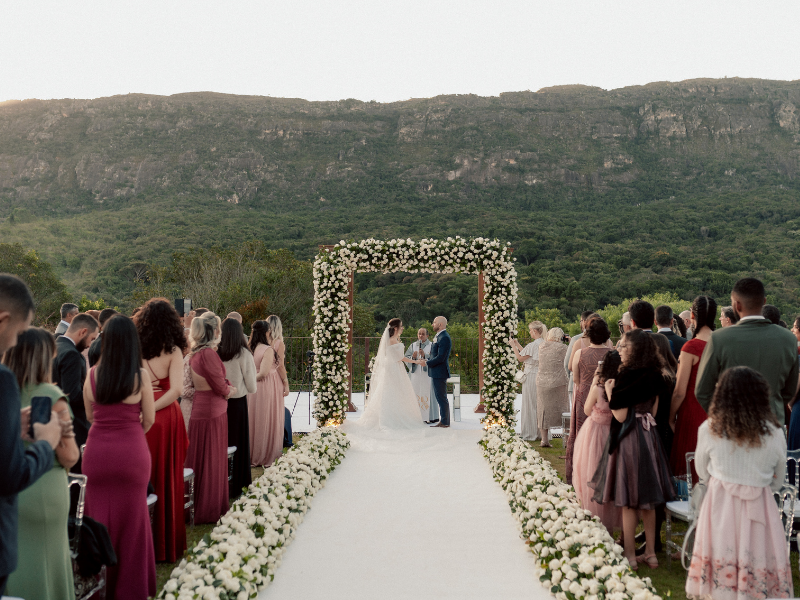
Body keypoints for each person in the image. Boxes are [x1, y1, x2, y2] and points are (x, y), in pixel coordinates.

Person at [686, 367, 793, 600]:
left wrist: (724, 480)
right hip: (760, 505)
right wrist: (757, 485)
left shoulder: (709, 429)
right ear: (761, 396)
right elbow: (779, 477)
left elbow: (702, 471)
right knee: (756, 561)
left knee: (720, 560)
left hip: (720, 503)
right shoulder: (774, 432)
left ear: (722, 395)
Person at [82, 315, 156, 599]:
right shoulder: (140, 376)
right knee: (133, 522)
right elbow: (148, 419)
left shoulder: (92, 375)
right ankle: (130, 588)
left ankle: (99, 586)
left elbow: (89, 416)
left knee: (98, 516)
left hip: (97, 453)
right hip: (131, 453)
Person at [4, 328, 80, 600]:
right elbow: (70, 456)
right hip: (44, 489)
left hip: (10, 494)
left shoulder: (4, 391)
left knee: (14, 568)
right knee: (49, 564)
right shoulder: (50, 395)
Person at [589, 329, 675, 570]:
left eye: (625, 346)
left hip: (629, 438)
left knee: (628, 501)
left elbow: (620, 413)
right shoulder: (656, 374)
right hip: (649, 437)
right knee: (647, 500)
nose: (620, 349)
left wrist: (609, 391)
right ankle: (651, 553)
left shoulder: (625, 376)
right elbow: (655, 412)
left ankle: (629, 555)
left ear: (635, 349)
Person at [0, 275, 63, 597]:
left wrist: (10, 422)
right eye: (20, 333)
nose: (15, 344)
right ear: (3, 320)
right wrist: (44, 443)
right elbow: (10, 475)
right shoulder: (2, 380)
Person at [696, 278, 799, 426]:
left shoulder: (719, 338)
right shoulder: (788, 339)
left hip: (731, 426)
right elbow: (789, 391)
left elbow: (702, 390)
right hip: (771, 425)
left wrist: (723, 417)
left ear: (737, 305)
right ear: (764, 301)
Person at [134, 298, 190, 563]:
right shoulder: (174, 351)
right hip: (166, 417)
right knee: (167, 475)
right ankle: (164, 542)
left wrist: (144, 408)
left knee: (143, 474)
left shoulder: (136, 348)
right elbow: (176, 390)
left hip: (139, 415)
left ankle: (141, 541)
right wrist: (154, 408)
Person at [186, 311, 233, 524]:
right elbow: (219, 385)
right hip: (213, 412)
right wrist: (230, 389)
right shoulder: (208, 355)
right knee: (212, 460)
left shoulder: (195, 354)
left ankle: (196, 504)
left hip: (200, 410)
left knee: (199, 459)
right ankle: (210, 507)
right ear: (214, 331)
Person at [341, 318, 427, 433]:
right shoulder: (393, 340)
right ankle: (393, 418)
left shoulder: (390, 340)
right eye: (401, 326)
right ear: (395, 328)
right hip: (395, 368)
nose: (402, 328)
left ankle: (387, 415)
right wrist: (416, 361)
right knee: (397, 391)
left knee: (387, 391)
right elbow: (401, 358)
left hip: (390, 367)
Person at [572, 350, 622, 534]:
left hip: (594, 434)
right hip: (613, 432)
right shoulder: (620, 387)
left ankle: (595, 517)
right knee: (610, 476)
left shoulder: (598, 388)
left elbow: (586, 410)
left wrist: (595, 380)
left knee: (591, 472)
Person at [669, 296, 717, 484]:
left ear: (693, 315)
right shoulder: (721, 344)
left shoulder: (691, 347)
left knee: (689, 466)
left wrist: (671, 417)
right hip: (716, 412)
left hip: (692, 412)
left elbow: (679, 391)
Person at [566, 317, 611, 484]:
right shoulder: (612, 353)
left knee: (582, 435)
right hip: (605, 397)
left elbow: (575, 378)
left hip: (584, 395)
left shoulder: (580, 353)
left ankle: (581, 473)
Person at [219, 318, 256, 497]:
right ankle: (238, 482)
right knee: (238, 444)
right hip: (238, 404)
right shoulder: (243, 353)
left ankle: (220, 482)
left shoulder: (216, 352)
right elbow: (252, 386)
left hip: (219, 403)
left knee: (221, 443)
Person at [52, 313, 99, 452]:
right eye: (91, 339)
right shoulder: (71, 354)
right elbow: (72, 395)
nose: (90, 344)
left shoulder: (54, 346)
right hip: (74, 426)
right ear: (83, 331)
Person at [248, 318, 286, 466]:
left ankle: (253, 452)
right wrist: (286, 383)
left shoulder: (250, 347)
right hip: (266, 384)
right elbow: (266, 372)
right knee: (267, 417)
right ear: (267, 332)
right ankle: (265, 453)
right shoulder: (268, 349)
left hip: (252, 387)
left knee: (254, 417)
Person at [509, 320, 546, 441]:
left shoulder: (534, 345)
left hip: (531, 377)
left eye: (530, 330)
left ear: (535, 331)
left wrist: (513, 346)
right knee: (538, 404)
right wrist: (518, 344)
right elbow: (527, 354)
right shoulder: (543, 343)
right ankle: (540, 433)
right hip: (539, 375)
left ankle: (530, 433)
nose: (529, 332)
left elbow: (520, 358)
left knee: (530, 404)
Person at [535, 328, 569, 447]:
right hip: (559, 382)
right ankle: (566, 439)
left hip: (542, 382)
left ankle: (544, 440)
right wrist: (569, 342)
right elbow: (569, 360)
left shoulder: (542, 346)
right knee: (563, 410)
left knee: (543, 411)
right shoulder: (563, 348)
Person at [405, 327, 439, 423]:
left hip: (427, 375)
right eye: (419, 333)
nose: (420, 335)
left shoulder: (432, 345)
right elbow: (406, 357)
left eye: (423, 334)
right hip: (415, 375)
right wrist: (413, 357)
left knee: (428, 394)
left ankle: (429, 417)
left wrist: (425, 356)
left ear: (427, 335)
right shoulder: (413, 346)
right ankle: (415, 417)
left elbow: (435, 358)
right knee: (414, 394)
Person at [426, 316, 452, 428]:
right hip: (436, 371)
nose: (433, 324)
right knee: (439, 396)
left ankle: (445, 422)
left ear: (440, 325)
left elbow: (441, 357)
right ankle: (444, 420)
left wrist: (427, 363)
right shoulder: (439, 336)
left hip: (440, 372)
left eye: (434, 322)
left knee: (441, 397)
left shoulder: (444, 337)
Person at [565, 311, 595, 402]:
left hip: (577, 384)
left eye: (580, 321)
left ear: (585, 321)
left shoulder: (576, 339)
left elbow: (567, 364)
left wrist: (571, 377)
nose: (580, 323)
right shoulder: (606, 339)